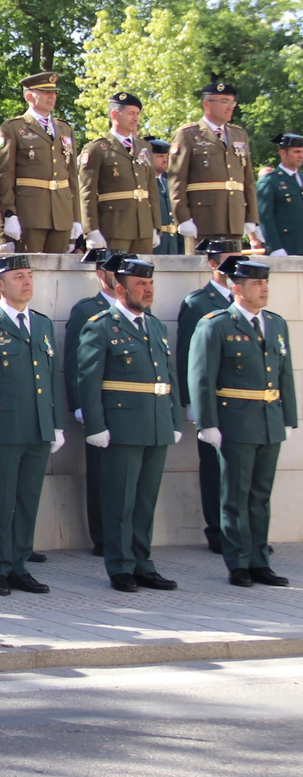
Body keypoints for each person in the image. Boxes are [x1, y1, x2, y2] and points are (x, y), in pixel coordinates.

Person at [189, 255, 296, 588]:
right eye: (256, 284)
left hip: (269, 420)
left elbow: (284, 375)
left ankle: (259, 560)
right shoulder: (216, 324)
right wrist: (207, 423)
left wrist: (289, 417)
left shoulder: (276, 323)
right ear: (237, 288)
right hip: (235, 420)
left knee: (260, 496)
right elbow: (202, 377)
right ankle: (238, 563)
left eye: (265, 283)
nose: (263, 290)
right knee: (235, 494)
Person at [76, 254, 181, 593]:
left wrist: (173, 418)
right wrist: (95, 426)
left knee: (145, 501)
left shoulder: (155, 325)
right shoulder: (101, 326)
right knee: (120, 501)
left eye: (150, 284)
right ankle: (120, 566)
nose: (148, 290)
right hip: (121, 426)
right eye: (141, 284)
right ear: (121, 290)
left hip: (155, 423)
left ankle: (143, 563)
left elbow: (169, 376)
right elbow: (88, 381)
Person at [0, 255, 62, 596]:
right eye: (19, 276)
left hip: (37, 428)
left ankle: (19, 566)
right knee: (0, 501)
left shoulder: (43, 324)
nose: (27, 281)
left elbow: (50, 379)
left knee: (27, 501)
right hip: (2, 429)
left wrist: (55, 423)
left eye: (29, 275)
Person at [177, 237, 244, 554]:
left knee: (243, 469)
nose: (236, 269)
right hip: (214, 401)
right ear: (212, 264)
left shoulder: (244, 301)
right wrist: (190, 401)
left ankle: (242, 531)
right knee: (214, 467)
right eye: (229, 261)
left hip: (245, 402)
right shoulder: (198, 303)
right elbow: (186, 356)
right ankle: (217, 531)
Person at [64, 246, 120, 557]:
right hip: (99, 404)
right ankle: (102, 536)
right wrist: (80, 404)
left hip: (133, 409)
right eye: (114, 269)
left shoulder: (138, 307)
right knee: (101, 474)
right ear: (100, 274)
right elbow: (74, 362)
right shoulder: (87, 310)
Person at [0, 72, 81, 253]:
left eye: (54, 92)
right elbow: (4, 178)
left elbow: (72, 176)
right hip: (30, 214)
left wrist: (76, 217)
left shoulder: (64, 128)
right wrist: (7, 217)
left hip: (61, 213)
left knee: (58, 275)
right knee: (28, 271)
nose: (52, 96)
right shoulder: (14, 128)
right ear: (28, 96)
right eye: (44, 92)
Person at [168, 79, 260, 247]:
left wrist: (251, 216)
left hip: (234, 216)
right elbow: (177, 180)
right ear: (207, 104)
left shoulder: (239, 135)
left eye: (232, 102)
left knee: (233, 268)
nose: (230, 106)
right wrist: (182, 218)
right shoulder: (188, 134)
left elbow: (248, 180)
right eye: (224, 101)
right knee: (203, 269)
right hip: (203, 218)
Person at [78, 91, 159, 254]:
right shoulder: (97, 148)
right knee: (113, 275)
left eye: (137, 114)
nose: (136, 118)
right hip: (114, 225)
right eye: (131, 113)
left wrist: (156, 225)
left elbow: (151, 189)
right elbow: (87, 192)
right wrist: (91, 230)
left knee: (140, 275)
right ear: (115, 114)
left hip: (143, 226)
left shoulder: (144, 147)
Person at [257, 132, 303, 256]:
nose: (301, 156)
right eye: (297, 152)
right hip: (285, 247)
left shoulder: (301, 179)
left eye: (302, 152)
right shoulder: (269, 181)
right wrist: (275, 247)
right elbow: (265, 218)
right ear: (283, 153)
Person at [148, 138, 180, 255]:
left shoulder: (169, 183)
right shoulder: (144, 184)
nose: (165, 160)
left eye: (167, 156)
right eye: (160, 156)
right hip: (154, 244)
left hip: (172, 244)